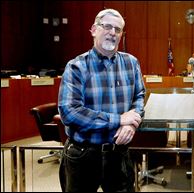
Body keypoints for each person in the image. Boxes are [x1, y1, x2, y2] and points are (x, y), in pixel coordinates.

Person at [57, 8, 145, 192]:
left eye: (118, 29)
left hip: (119, 154)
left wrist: (131, 123)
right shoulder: (76, 66)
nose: (112, 33)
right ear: (94, 30)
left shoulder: (131, 63)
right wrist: (119, 120)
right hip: (83, 155)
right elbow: (69, 112)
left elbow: (139, 97)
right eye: (107, 26)